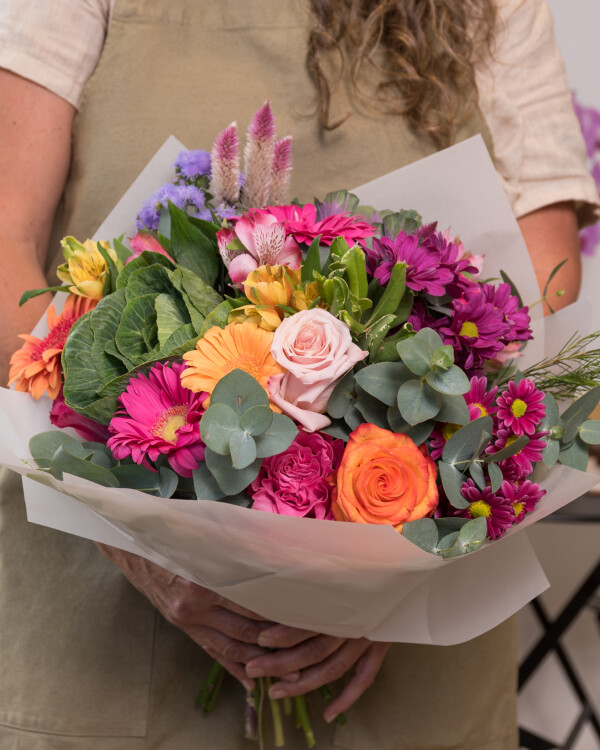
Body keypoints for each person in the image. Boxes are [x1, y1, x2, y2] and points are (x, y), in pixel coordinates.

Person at [0, 1, 597, 748]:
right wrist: (128, 527)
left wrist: (398, 567)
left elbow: (543, 291)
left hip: (416, 631)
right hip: (111, 621)